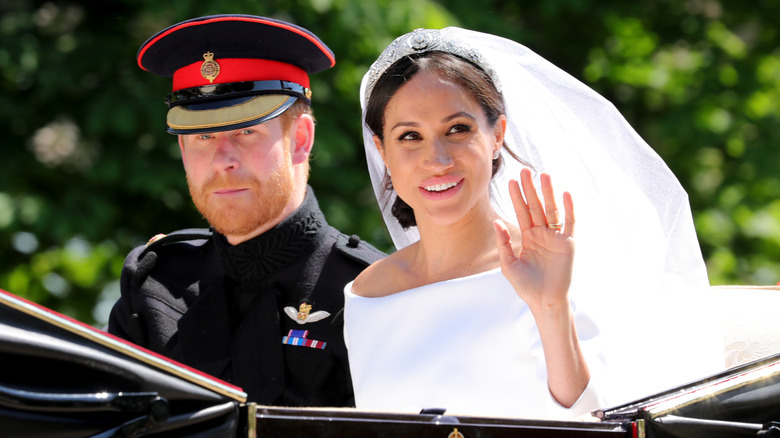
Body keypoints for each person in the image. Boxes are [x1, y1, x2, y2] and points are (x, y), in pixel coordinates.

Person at [344, 27, 724, 419]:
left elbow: (596, 422)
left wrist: (550, 305)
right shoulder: (366, 295)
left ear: (497, 135)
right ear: (382, 150)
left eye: (458, 129)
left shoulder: (548, 266)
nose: (437, 159)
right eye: (410, 136)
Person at [106, 14, 384, 407]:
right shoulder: (154, 283)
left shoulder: (368, 292)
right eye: (202, 136)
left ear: (300, 139)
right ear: (184, 151)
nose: (223, 160)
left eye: (245, 132)